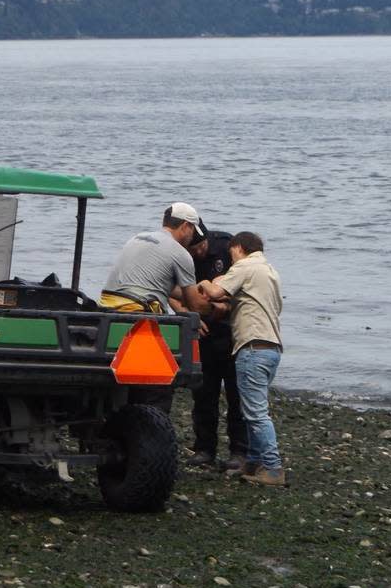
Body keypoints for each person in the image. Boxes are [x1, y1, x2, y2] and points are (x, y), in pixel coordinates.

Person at [101, 203, 225, 412]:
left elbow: (162, 287)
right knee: (157, 391)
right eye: (193, 230)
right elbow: (195, 305)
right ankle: (151, 430)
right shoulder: (180, 253)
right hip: (139, 319)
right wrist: (221, 306)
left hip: (107, 313)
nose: (193, 236)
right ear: (185, 226)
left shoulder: (137, 239)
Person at [198, 231, 285, 486]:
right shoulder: (269, 271)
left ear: (238, 248)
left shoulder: (245, 266)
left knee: (256, 413)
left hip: (252, 348)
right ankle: (254, 461)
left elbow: (215, 292)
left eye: (231, 253)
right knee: (251, 409)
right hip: (272, 348)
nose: (230, 258)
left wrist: (203, 283)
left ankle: (273, 467)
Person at [176, 223, 247, 470]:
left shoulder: (227, 248)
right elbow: (170, 292)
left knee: (237, 396)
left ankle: (239, 451)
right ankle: (204, 448)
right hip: (202, 333)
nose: (198, 252)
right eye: (192, 248)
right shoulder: (181, 255)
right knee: (204, 395)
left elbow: (245, 289)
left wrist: (223, 307)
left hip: (232, 332)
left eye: (201, 246)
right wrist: (187, 315)